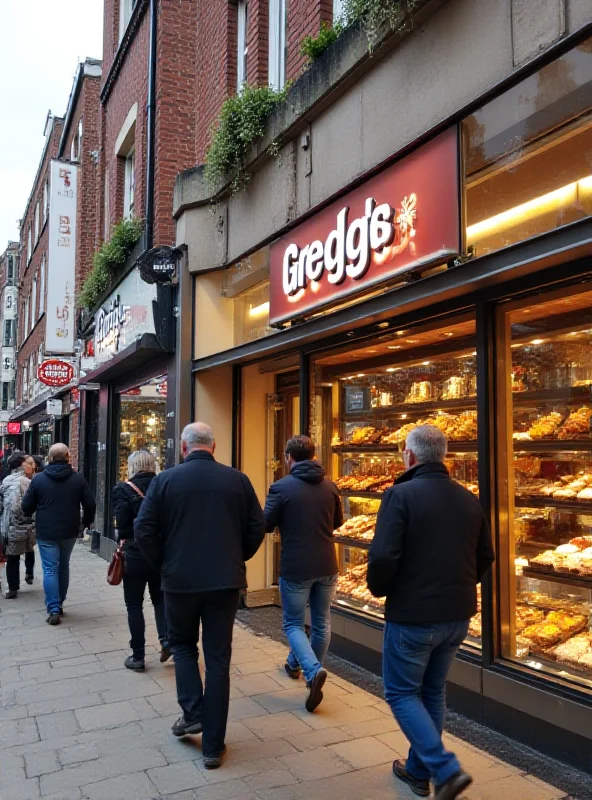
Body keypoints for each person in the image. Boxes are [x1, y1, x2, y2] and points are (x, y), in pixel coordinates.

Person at [367, 425, 495, 800]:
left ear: (409, 455)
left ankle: (444, 768)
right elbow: (485, 556)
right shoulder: (468, 499)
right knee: (433, 691)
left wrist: (380, 588)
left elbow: (383, 556)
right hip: (457, 616)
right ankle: (418, 771)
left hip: (413, 616)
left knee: (402, 693)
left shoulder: (399, 495)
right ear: (444, 456)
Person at [135, 422, 265, 769]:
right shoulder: (237, 480)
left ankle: (193, 712)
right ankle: (213, 745)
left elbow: (143, 529)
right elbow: (257, 527)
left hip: (179, 581)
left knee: (182, 646)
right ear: (214, 446)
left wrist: (164, 563)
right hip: (224, 581)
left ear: (183, 447)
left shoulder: (165, 481)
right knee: (219, 659)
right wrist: (236, 557)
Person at [264, 435, 343, 712]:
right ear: (314, 455)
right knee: (321, 623)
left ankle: (312, 671)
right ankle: (299, 666)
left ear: (288, 457)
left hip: (296, 566)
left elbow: (265, 523)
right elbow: (338, 522)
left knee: (293, 624)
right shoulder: (330, 486)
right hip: (327, 565)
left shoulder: (281, 487)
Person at [22, 443, 96, 625]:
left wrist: (33, 512)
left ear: (50, 457)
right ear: (68, 457)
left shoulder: (39, 480)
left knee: (49, 568)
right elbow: (90, 504)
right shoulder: (78, 479)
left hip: (46, 530)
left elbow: (26, 506)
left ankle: (53, 607)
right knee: (63, 566)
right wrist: (85, 522)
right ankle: (60, 603)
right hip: (69, 530)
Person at [112, 450, 170, 671]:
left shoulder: (123, 489)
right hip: (159, 553)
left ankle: (138, 656)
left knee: (134, 604)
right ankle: (166, 640)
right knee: (160, 598)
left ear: (132, 466)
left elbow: (122, 526)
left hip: (134, 553)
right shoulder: (163, 485)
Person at [0, 454, 36, 599]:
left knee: (12, 556)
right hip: (27, 522)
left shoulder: (5, 481)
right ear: (22, 465)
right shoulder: (28, 482)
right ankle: (29, 572)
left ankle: (13, 588)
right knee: (29, 547)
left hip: (10, 523)